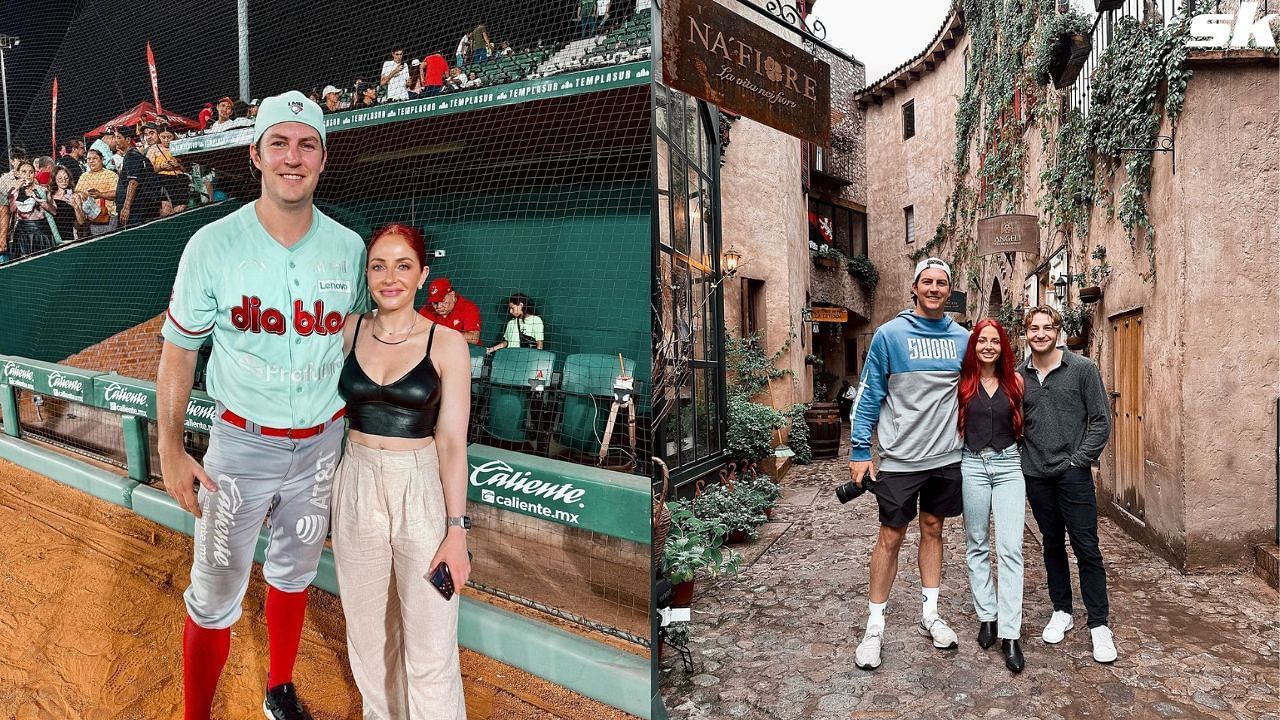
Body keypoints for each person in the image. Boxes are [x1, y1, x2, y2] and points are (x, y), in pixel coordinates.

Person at [157, 90, 367, 720]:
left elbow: (362, 344)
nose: (292, 158)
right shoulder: (211, 246)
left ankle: (278, 687)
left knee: (295, 570)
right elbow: (177, 353)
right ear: (255, 153)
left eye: (307, 145)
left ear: (323, 159)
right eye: (279, 143)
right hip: (240, 449)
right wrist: (170, 446)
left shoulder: (350, 249)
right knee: (215, 589)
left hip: (323, 444)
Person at [333, 223, 470, 719]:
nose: (390, 277)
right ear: (366, 273)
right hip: (355, 485)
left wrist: (456, 532)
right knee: (369, 640)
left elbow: (453, 442)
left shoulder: (447, 343)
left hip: (422, 491)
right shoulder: (347, 330)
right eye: (378, 265)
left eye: (403, 265)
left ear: (422, 274)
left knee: (431, 641)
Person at [848, 257, 969, 671]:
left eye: (942, 282)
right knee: (890, 537)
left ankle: (930, 614)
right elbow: (868, 396)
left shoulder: (962, 339)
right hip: (900, 459)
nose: (935, 288)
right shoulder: (889, 335)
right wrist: (861, 451)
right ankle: (875, 626)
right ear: (915, 287)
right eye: (927, 282)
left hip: (947, 457)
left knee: (934, 529)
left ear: (948, 290)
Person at [1019, 305, 1116, 664]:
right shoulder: (1019, 375)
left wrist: (1078, 461)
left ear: (1058, 331)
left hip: (1072, 475)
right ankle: (1062, 610)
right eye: (1033, 328)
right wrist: (1023, 459)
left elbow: (1100, 422)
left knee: (1086, 547)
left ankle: (1099, 624)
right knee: (1051, 543)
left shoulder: (1082, 369)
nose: (1040, 334)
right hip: (1036, 475)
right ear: (1025, 333)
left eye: (1047, 327)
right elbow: (1017, 424)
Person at [958, 318, 1026, 673]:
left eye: (994, 341)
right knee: (977, 543)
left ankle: (1011, 634)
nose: (988, 346)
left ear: (1003, 346)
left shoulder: (1015, 381)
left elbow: (1026, 424)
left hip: (1008, 465)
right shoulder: (962, 382)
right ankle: (988, 615)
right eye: (982, 341)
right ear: (974, 346)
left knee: (1011, 548)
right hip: (971, 465)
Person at [112, 128, 162, 229]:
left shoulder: (131, 155)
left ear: (128, 140)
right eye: (114, 137)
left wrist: (126, 207)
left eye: (119, 137)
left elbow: (133, 182)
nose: (115, 141)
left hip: (135, 210)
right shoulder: (138, 155)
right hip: (143, 206)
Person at [6, 160, 57, 258]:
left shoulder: (43, 190)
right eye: (24, 172)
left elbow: (54, 211)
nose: (28, 175)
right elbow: (11, 210)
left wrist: (38, 199)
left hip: (41, 230)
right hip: (22, 232)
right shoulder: (14, 191)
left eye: (31, 172)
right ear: (18, 174)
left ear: (35, 174)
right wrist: (15, 190)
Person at [419, 277, 482, 345]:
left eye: (443, 301)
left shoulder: (468, 307)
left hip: (468, 351)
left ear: (452, 295)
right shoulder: (426, 311)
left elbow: (474, 338)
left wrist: (443, 334)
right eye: (435, 303)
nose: (439, 307)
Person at [72, 148, 119, 236]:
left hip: (107, 217)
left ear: (102, 160)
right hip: (89, 219)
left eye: (95, 158)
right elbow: (77, 192)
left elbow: (117, 193)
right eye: (89, 159)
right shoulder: (83, 176)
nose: (91, 161)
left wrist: (100, 195)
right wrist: (81, 194)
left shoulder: (111, 175)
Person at [149, 129, 189, 215]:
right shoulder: (154, 148)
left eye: (169, 137)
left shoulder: (179, 147)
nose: (166, 140)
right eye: (163, 137)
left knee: (180, 208)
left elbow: (187, 169)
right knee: (166, 210)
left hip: (179, 181)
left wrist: (178, 165)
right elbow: (148, 170)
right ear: (159, 136)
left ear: (173, 136)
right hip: (162, 180)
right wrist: (161, 166)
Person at [47, 165, 79, 244]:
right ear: (55, 179)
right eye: (60, 178)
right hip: (53, 236)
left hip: (69, 235)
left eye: (66, 178)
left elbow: (81, 222)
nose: (64, 181)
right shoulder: (50, 196)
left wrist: (76, 206)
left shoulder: (74, 196)